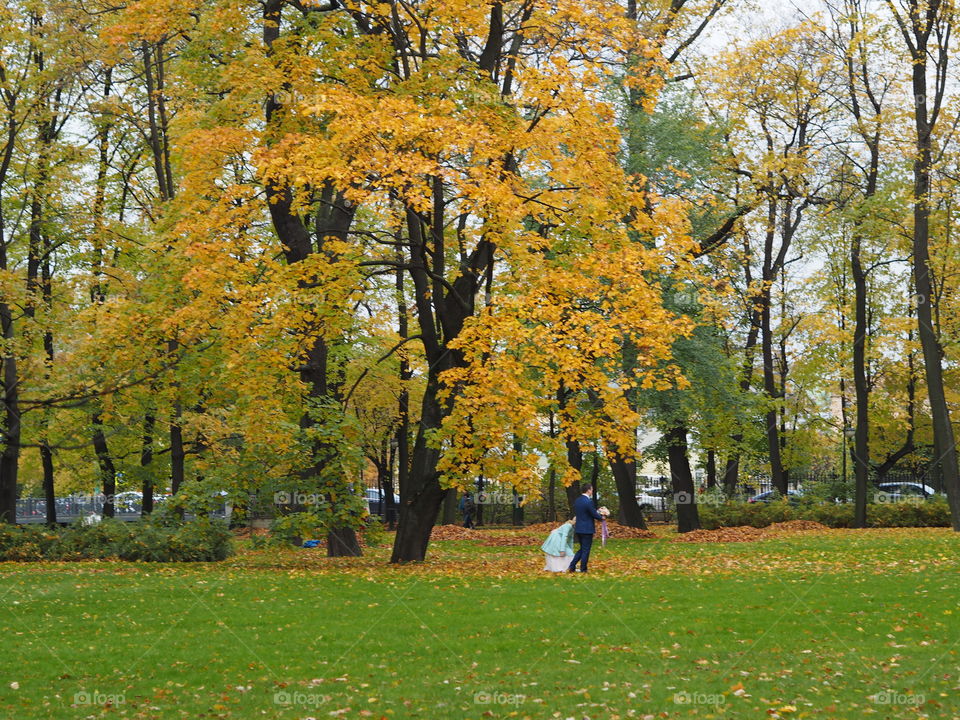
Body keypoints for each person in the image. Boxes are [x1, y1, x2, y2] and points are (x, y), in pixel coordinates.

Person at [568, 483, 608, 573]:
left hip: (578, 528)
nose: (592, 491)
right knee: (586, 550)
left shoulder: (577, 500)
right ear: (588, 490)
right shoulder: (588, 501)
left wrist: (597, 512)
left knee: (582, 548)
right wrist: (602, 517)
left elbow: (586, 512)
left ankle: (572, 566)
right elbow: (593, 514)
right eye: (592, 489)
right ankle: (583, 569)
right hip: (587, 529)